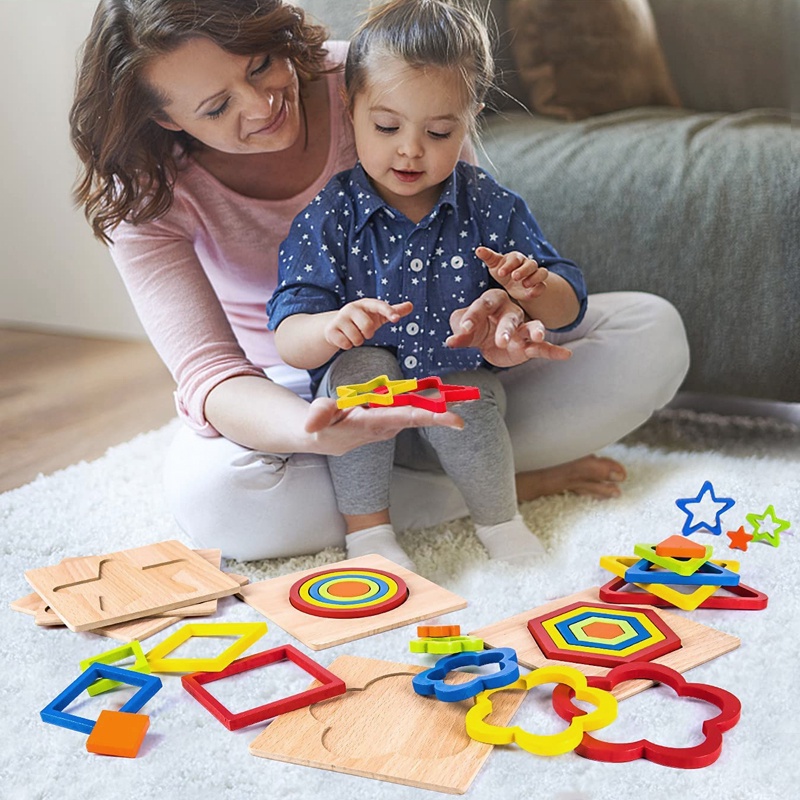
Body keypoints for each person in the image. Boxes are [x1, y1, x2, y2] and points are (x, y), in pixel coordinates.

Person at [69, 0, 689, 562]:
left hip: (452, 363)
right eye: (216, 106)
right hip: (299, 383)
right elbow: (212, 377)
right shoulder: (142, 193)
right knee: (221, 502)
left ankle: (442, 479)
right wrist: (315, 427)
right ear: (165, 118)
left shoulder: (379, 81)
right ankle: (488, 489)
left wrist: (503, 310)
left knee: (651, 332)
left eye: (260, 64)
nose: (261, 105)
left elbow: (471, 233)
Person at [267, 0, 590, 567]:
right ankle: (369, 537)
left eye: (440, 131)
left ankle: (500, 521)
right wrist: (330, 328)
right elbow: (288, 333)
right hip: (364, 421)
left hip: (457, 400)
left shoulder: (487, 202)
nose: (411, 149)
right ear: (351, 107)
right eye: (387, 126)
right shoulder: (330, 214)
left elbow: (569, 306)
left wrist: (531, 290)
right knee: (362, 372)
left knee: (469, 388)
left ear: (469, 119)